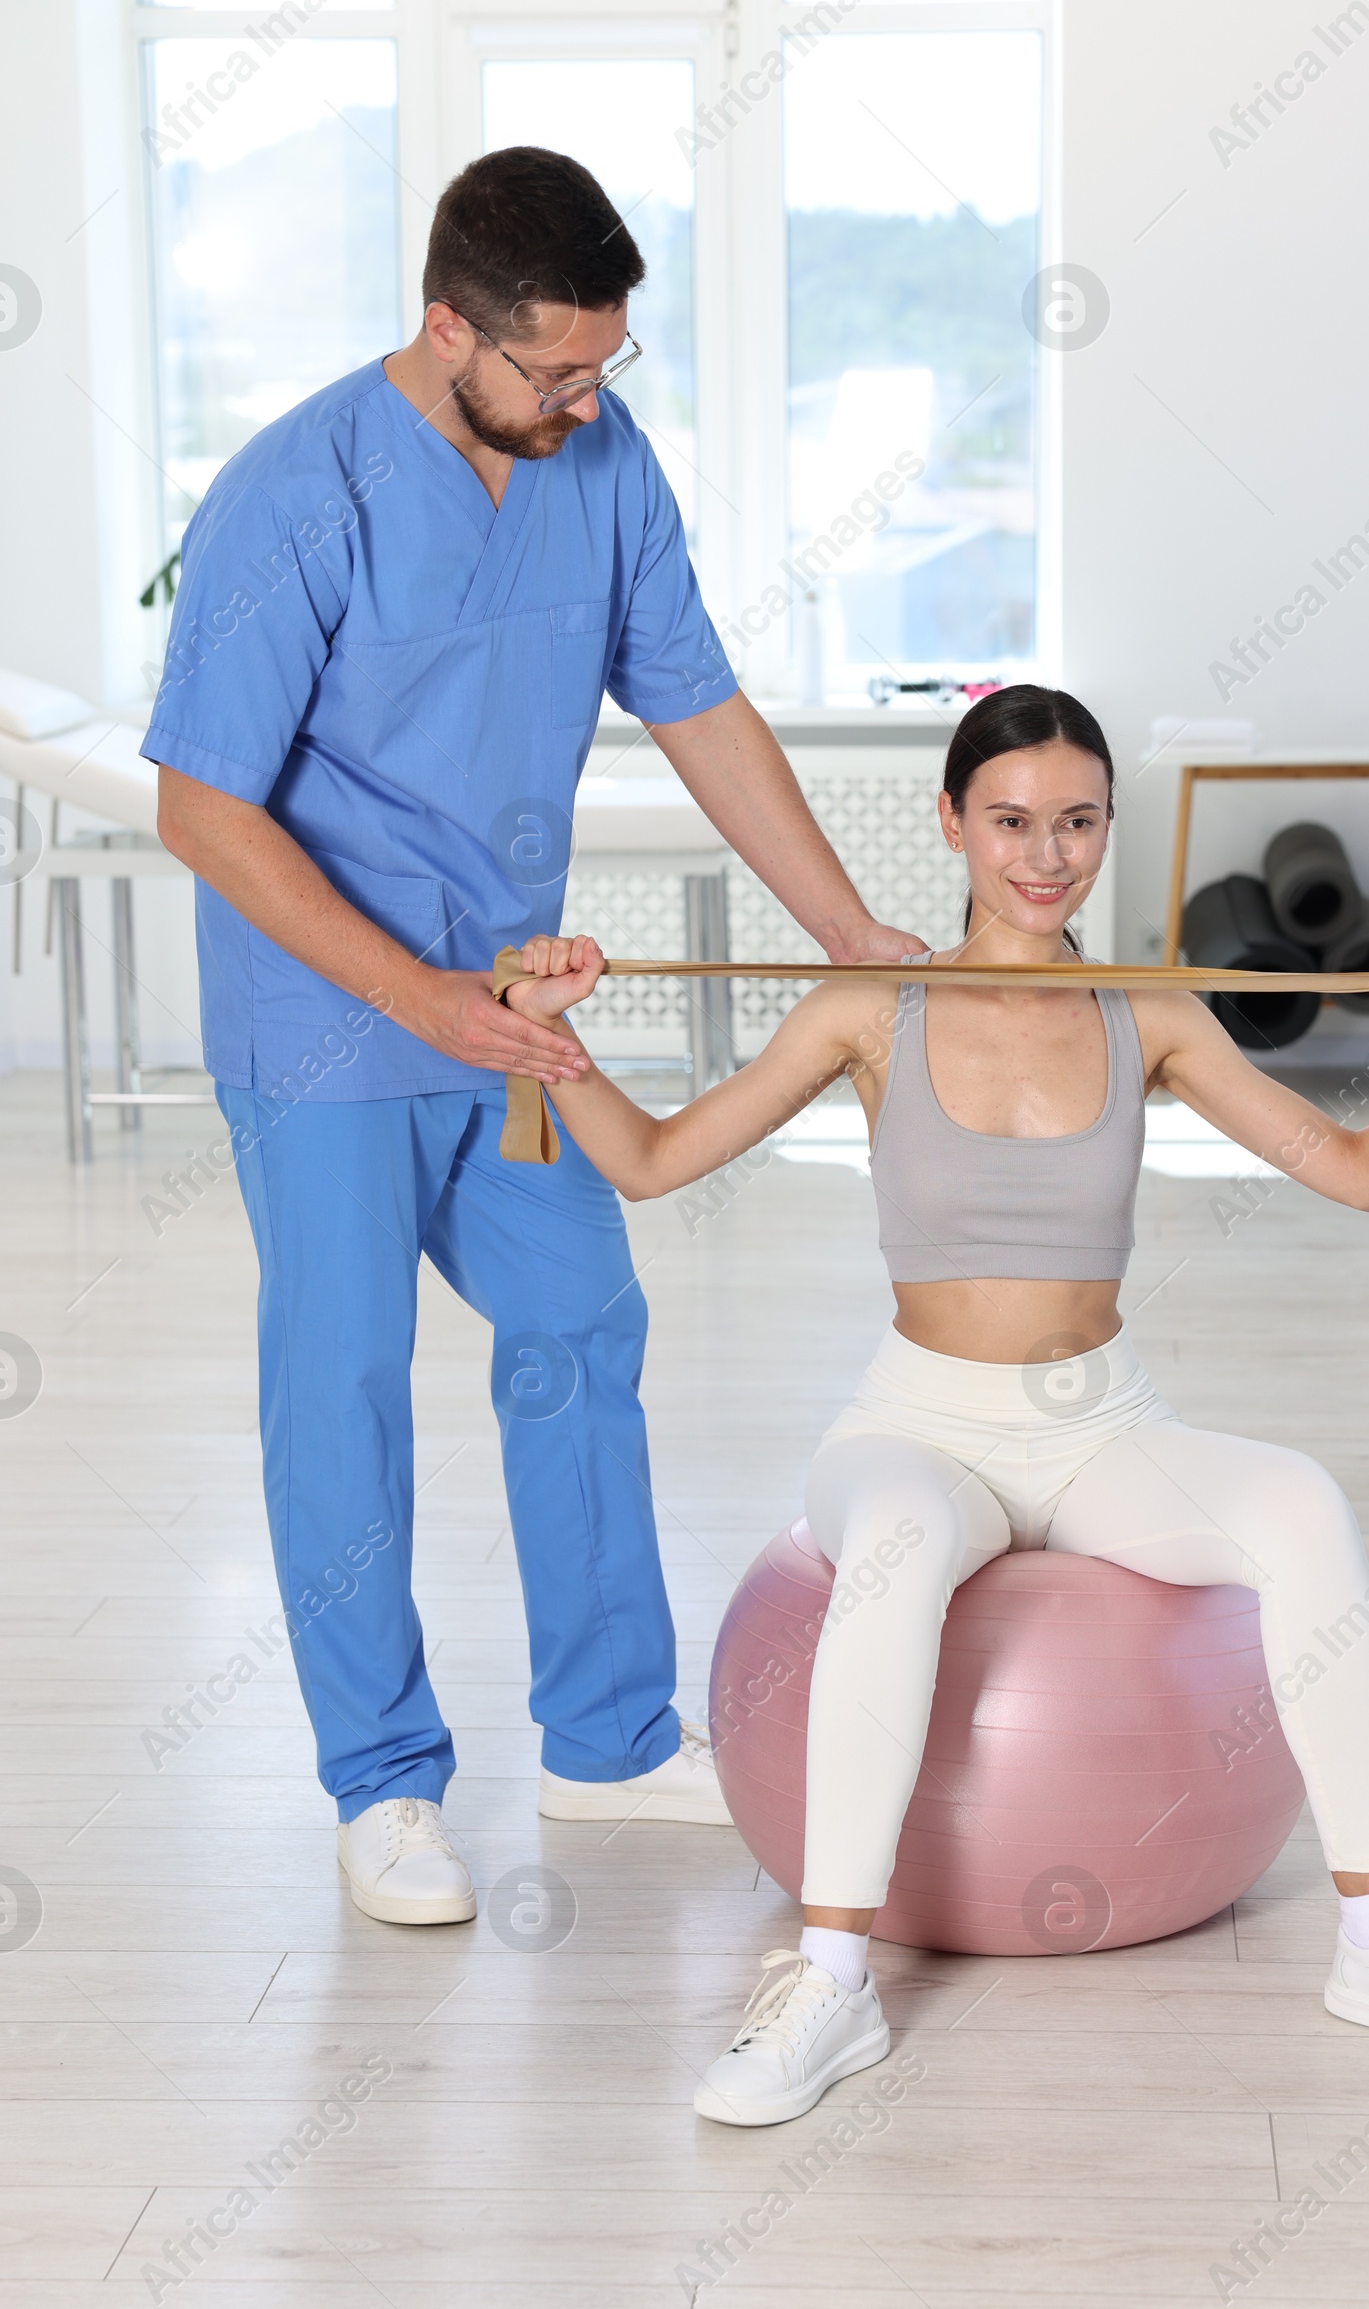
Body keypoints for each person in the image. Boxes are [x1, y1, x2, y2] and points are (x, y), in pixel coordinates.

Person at [501, 682, 1369, 2122]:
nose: (1043, 855)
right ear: (953, 824)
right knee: (890, 1554)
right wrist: (552, 1039)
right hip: (915, 1428)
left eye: (1074, 822)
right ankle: (830, 1984)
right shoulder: (871, 1006)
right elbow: (652, 1159)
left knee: (1304, 1505)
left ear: (1107, 829)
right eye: (1010, 822)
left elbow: (1358, 1172)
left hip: (1103, 1424)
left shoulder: (1152, 1012)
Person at [143, 146, 923, 1927]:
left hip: (513, 1016)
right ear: (448, 331)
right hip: (327, 1024)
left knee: (580, 1318)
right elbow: (203, 810)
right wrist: (416, 997)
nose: (585, 399)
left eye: (605, 366)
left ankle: (609, 1734)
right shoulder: (296, 493)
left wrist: (852, 938)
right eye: (555, 371)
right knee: (339, 1381)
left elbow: (698, 703)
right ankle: (384, 1787)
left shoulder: (607, 467)